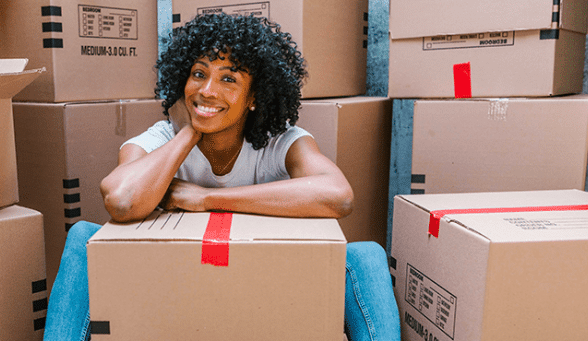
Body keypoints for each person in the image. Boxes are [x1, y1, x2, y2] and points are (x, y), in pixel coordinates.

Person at [44, 13, 400, 341]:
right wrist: (188, 132)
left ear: (254, 98)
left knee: (365, 255)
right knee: (83, 237)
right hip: (173, 290)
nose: (207, 90)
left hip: (261, 290)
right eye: (198, 74)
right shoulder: (161, 139)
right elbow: (121, 200)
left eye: (228, 79)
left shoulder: (282, 142)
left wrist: (204, 198)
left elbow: (338, 195)